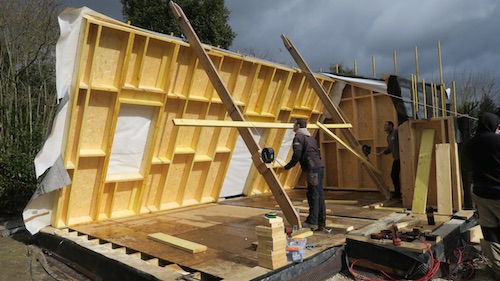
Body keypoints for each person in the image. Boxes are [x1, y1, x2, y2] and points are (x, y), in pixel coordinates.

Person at [464, 112, 500, 279]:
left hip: (479, 192)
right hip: (497, 191)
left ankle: (498, 268)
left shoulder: (470, 144)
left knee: (489, 230)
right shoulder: (497, 140)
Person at [284, 118, 326, 231]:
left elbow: (297, 155)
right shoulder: (310, 137)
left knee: (313, 194)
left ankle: (312, 222)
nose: (293, 127)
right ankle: (321, 221)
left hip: (312, 169)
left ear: (298, 126)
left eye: (294, 124)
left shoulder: (299, 137)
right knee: (319, 194)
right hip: (319, 167)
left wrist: (288, 166)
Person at [376, 121, 401, 199]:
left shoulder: (396, 132)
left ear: (391, 126)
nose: (384, 127)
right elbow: (390, 148)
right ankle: (398, 193)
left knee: (394, 175)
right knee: (394, 175)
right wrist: (383, 152)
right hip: (396, 159)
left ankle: (398, 193)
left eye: (386, 125)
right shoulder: (388, 137)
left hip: (401, 158)